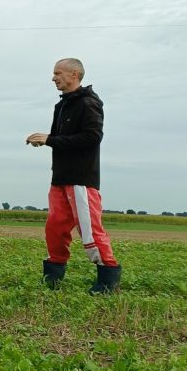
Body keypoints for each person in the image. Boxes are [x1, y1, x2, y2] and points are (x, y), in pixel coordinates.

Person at [26, 58, 121, 294]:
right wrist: (47, 140)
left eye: (58, 73)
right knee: (55, 227)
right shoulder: (61, 105)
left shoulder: (89, 103)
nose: (53, 78)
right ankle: (53, 276)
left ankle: (108, 280)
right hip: (60, 177)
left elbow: (92, 137)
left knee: (90, 229)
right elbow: (61, 140)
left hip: (81, 179)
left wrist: (50, 139)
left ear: (74, 74)